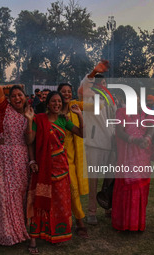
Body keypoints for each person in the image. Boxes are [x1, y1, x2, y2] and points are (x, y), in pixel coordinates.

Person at [26, 91, 84, 254]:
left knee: (60, 202)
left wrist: (79, 115)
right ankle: (33, 239)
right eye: (54, 101)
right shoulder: (39, 119)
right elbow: (29, 141)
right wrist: (30, 121)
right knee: (39, 202)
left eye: (59, 101)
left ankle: (57, 234)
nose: (57, 104)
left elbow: (82, 134)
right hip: (43, 167)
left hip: (61, 168)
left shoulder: (63, 120)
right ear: (48, 104)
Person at [0, 52, 33, 246]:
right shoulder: (5, 108)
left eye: (19, 95)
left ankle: (21, 229)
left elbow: (30, 140)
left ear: (25, 98)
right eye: (13, 95)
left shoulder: (31, 114)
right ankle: (8, 234)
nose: (16, 98)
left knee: (21, 194)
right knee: (6, 195)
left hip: (22, 157)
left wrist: (30, 121)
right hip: (5, 157)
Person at [78, 60, 116, 225]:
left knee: (110, 179)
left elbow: (114, 120)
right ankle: (92, 212)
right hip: (94, 143)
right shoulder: (88, 96)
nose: (103, 84)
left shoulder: (110, 100)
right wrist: (93, 73)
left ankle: (108, 207)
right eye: (100, 81)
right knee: (93, 180)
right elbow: (84, 85)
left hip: (111, 144)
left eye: (104, 82)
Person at [112, 98, 154, 231]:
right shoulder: (121, 112)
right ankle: (125, 222)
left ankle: (137, 223)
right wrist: (133, 140)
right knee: (128, 186)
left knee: (139, 186)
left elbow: (152, 128)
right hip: (127, 155)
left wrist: (147, 138)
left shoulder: (147, 114)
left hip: (142, 155)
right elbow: (119, 132)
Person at [58, 83, 89, 238]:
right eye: (63, 92)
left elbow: (98, 105)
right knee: (62, 192)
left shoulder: (74, 106)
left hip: (72, 159)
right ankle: (73, 221)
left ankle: (78, 221)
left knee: (73, 189)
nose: (67, 94)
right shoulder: (53, 110)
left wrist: (90, 80)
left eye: (69, 92)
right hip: (56, 158)